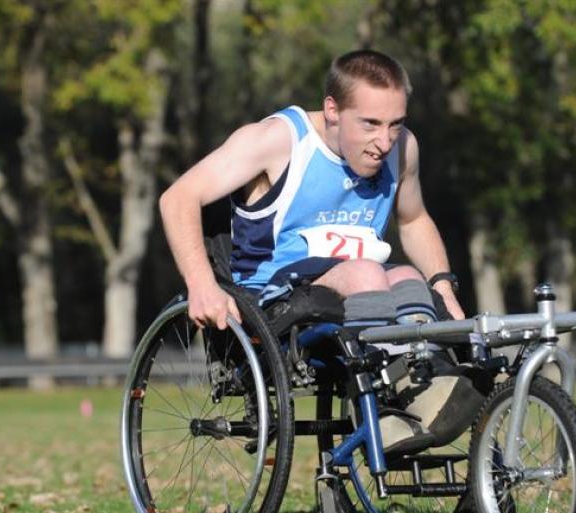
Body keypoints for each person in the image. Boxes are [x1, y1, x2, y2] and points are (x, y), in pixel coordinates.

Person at [159, 49, 464, 331]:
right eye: (370, 124)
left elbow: (413, 220)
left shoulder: (403, 147)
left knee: (411, 282)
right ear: (332, 109)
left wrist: (443, 288)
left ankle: (435, 383)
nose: (385, 142)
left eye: (395, 124)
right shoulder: (280, 140)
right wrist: (201, 284)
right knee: (366, 274)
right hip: (270, 298)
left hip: (358, 288)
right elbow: (178, 198)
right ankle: (390, 374)